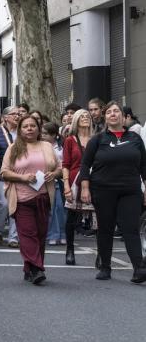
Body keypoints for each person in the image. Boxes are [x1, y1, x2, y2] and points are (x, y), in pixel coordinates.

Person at [79, 101, 146, 283]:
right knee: (105, 229)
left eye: (117, 111)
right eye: (109, 112)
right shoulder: (98, 140)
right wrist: (85, 187)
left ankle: (139, 268)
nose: (113, 114)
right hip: (103, 190)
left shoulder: (135, 139)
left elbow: (144, 167)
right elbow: (85, 165)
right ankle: (105, 267)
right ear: (105, 116)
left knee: (130, 228)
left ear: (124, 117)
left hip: (130, 191)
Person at [1, 115, 61, 285]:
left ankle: (29, 268)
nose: (29, 128)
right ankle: (36, 269)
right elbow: (4, 172)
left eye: (32, 126)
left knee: (41, 235)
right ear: (20, 129)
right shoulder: (13, 148)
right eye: (25, 126)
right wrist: (23, 178)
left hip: (43, 197)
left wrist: (54, 174)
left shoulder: (47, 146)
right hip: (21, 199)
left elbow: (59, 167)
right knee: (28, 234)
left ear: (38, 128)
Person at [61, 109, 96, 265]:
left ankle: (101, 254)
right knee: (71, 217)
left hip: (96, 181)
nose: (85, 118)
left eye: (87, 116)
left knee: (99, 218)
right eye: (81, 116)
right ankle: (70, 250)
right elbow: (65, 164)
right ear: (75, 120)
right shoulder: (70, 140)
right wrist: (66, 186)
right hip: (74, 181)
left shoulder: (97, 139)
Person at [0, 106, 20, 247]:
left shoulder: (23, 132)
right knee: (4, 203)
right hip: (1, 174)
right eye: (14, 114)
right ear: (5, 117)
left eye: (19, 114)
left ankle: (13, 237)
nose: (17, 116)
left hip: (20, 175)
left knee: (16, 205)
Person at [41, 122, 66, 246]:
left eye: (45, 133)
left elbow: (63, 165)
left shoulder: (60, 148)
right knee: (50, 209)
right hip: (44, 181)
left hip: (58, 181)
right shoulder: (40, 146)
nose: (42, 135)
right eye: (42, 133)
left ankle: (62, 234)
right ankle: (52, 234)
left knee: (60, 209)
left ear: (54, 135)